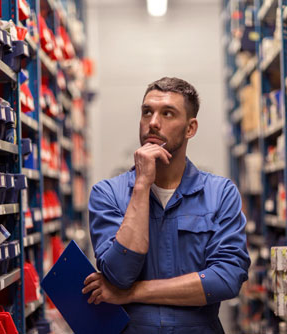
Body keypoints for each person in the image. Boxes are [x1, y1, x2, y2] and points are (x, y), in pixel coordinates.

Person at [83, 77, 250, 333]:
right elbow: (118, 275)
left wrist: (132, 293)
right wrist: (141, 186)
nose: (153, 122)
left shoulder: (220, 193)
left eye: (168, 113)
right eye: (146, 112)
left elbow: (226, 280)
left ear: (190, 128)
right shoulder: (108, 193)